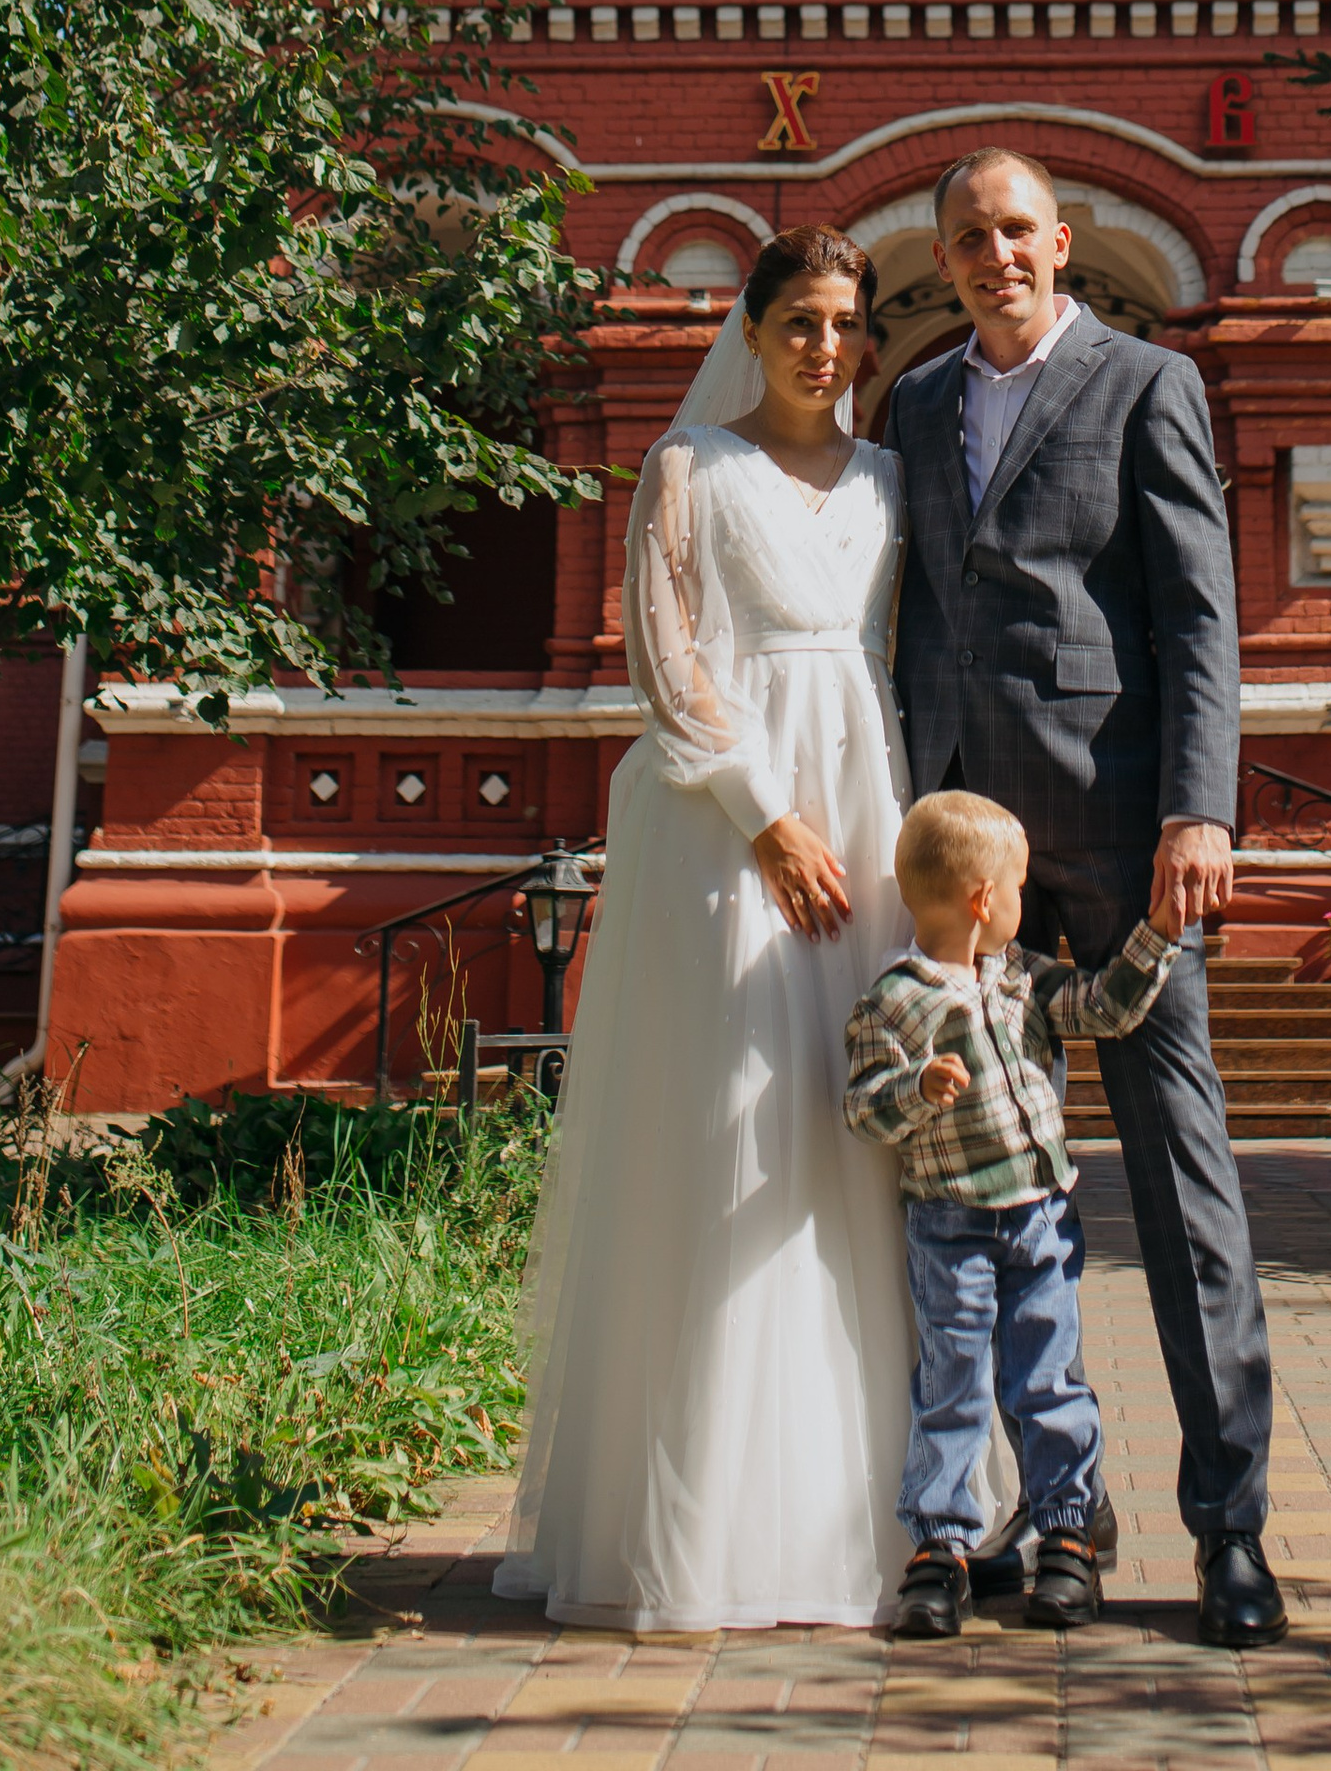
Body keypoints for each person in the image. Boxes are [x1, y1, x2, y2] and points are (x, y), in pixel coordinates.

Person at [888, 148, 1289, 1649]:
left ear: (1062, 243)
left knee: (1182, 1181)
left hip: (1123, 847)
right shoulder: (917, 404)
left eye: (1015, 231)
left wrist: (1201, 807)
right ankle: (1043, 1508)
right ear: (943, 263)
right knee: (978, 1190)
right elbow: (915, 613)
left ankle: (1230, 1532)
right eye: (967, 238)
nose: (994, 255)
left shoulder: (1145, 383)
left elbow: (1198, 610)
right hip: (967, 880)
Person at [495, 227, 915, 1632]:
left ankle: (839, 1521)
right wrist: (766, 818)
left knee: (840, 1139)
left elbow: (892, 660)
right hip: (726, 834)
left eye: (845, 322)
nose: (823, 345)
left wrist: (865, 834)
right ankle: (691, 1529)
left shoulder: (890, 484)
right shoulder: (689, 469)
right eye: (798, 318)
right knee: (733, 1127)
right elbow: (667, 660)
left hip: (863, 817)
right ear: (751, 326)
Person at [845, 788, 1176, 1640]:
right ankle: (940, 1548)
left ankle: (1068, 1534)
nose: (1027, 903)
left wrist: (1161, 934)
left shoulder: (1025, 980)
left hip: (1041, 1216)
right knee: (952, 1384)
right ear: (985, 899)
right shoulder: (894, 1000)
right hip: (949, 1226)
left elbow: (1104, 1006)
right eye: (1021, 887)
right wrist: (916, 1091)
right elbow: (863, 1111)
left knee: (1048, 1376)